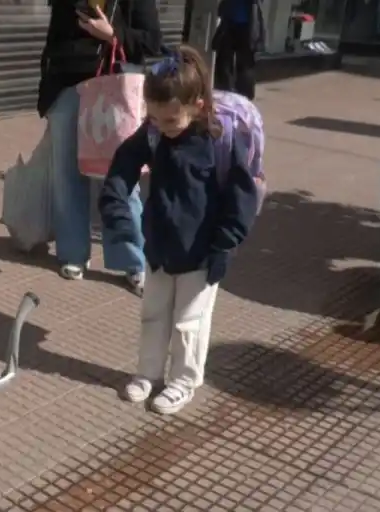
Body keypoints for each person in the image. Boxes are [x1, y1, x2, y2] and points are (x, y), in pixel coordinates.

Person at [98, 45, 259, 415]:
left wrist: (225, 245)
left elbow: (241, 198)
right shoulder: (154, 133)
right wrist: (117, 213)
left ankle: (183, 381)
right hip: (159, 246)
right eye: (153, 118)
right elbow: (122, 167)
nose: (162, 127)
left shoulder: (220, 140)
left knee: (189, 323)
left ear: (197, 106)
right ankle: (148, 373)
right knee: (153, 314)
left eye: (170, 120)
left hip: (203, 253)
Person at [37, 0, 162, 290]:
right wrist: (47, 93)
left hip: (114, 87)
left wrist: (112, 33)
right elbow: (54, 38)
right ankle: (73, 253)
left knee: (120, 176)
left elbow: (152, 40)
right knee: (67, 175)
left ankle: (133, 260)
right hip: (67, 88)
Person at [212, 0, 264, 100]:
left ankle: (243, 95)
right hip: (231, 23)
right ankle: (226, 92)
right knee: (224, 61)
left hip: (246, 26)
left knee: (244, 65)